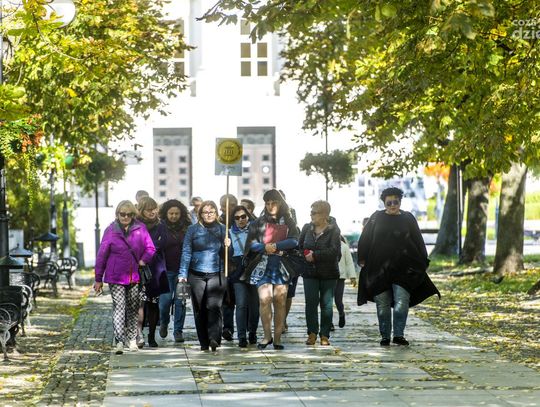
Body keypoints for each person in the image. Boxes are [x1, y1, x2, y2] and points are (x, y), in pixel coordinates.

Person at [357, 187, 440, 346]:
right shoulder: (376, 217)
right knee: (383, 305)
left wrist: (423, 261)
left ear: (400, 202)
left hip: (404, 268)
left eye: (396, 202)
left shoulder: (408, 218)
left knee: (402, 302)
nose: (392, 205)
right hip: (379, 269)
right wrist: (362, 259)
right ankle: (385, 336)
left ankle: (399, 335)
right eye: (389, 203)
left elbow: (418, 239)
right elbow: (365, 238)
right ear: (384, 203)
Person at [94, 200, 155, 354]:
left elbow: (150, 248)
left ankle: (132, 339)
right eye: (122, 214)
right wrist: (98, 278)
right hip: (115, 276)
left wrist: (143, 260)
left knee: (133, 308)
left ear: (133, 215)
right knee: (119, 307)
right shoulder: (110, 230)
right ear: (117, 214)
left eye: (129, 214)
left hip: (134, 275)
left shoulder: (141, 228)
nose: (125, 217)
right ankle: (119, 340)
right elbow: (102, 255)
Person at [244, 189, 299, 350]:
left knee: (280, 301)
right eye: (267, 203)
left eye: (273, 202)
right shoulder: (258, 222)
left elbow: (295, 241)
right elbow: (250, 244)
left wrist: (275, 245)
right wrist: (264, 247)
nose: (270, 206)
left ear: (280, 203)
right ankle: (267, 336)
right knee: (264, 299)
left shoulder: (289, 221)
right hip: (262, 265)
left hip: (282, 265)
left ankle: (277, 338)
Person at [178, 200, 230, 351]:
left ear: (216, 213)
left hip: (217, 272)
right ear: (200, 214)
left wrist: (228, 245)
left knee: (214, 306)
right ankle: (204, 342)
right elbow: (186, 251)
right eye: (205, 212)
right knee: (199, 308)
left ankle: (214, 338)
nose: (208, 215)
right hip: (196, 273)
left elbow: (230, 255)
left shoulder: (223, 229)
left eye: (211, 212)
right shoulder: (192, 230)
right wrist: (182, 273)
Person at [299, 200, 341, 346]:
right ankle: (312, 333)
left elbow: (334, 251)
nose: (311, 215)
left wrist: (315, 255)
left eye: (314, 213)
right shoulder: (306, 228)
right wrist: (305, 255)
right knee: (310, 303)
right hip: (309, 272)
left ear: (324, 214)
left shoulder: (334, 230)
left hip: (329, 273)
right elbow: (299, 247)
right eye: (311, 212)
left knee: (326, 305)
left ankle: (325, 335)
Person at [136, 196, 170, 348]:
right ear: (142, 210)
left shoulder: (161, 225)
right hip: (140, 266)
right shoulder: (136, 225)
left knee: (154, 303)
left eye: (154, 209)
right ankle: (139, 334)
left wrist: (148, 246)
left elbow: (164, 242)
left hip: (156, 268)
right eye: (149, 210)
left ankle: (151, 336)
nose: (152, 212)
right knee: (140, 302)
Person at [158, 199, 191, 343]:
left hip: (183, 272)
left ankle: (178, 331)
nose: (174, 216)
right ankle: (164, 322)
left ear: (181, 214)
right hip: (165, 272)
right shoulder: (160, 227)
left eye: (176, 213)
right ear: (166, 213)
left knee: (181, 302)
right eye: (171, 213)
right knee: (164, 302)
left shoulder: (187, 227)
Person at [228, 205, 259, 348]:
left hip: (254, 269)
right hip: (238, 270)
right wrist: (226, 246)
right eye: (237, 217)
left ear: (248, 216)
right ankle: (241, 336)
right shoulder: (228, 233)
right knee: (241, 304)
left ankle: (252, 332)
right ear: (233, 219)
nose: (240, 219)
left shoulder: (255, 230)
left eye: (243, 216)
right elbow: (225, 254)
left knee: (255, 305)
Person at [219, 193, 238, 341]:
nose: (229, 208)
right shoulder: (219, 222)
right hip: (224, 266)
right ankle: (227, 328)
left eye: (232, 205)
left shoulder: (242, 218)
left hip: (240, 266)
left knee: (242, 301)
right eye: (226, 205)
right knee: (227, 300)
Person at [333, 235, 357, 329]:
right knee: (327, 301)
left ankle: (341, 314)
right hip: (327, 277)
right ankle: (329, 323)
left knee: (338, 300)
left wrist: (352, 276)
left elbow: (349, 262)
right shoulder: (325, 244)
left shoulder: (344, 247)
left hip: (340, 277)